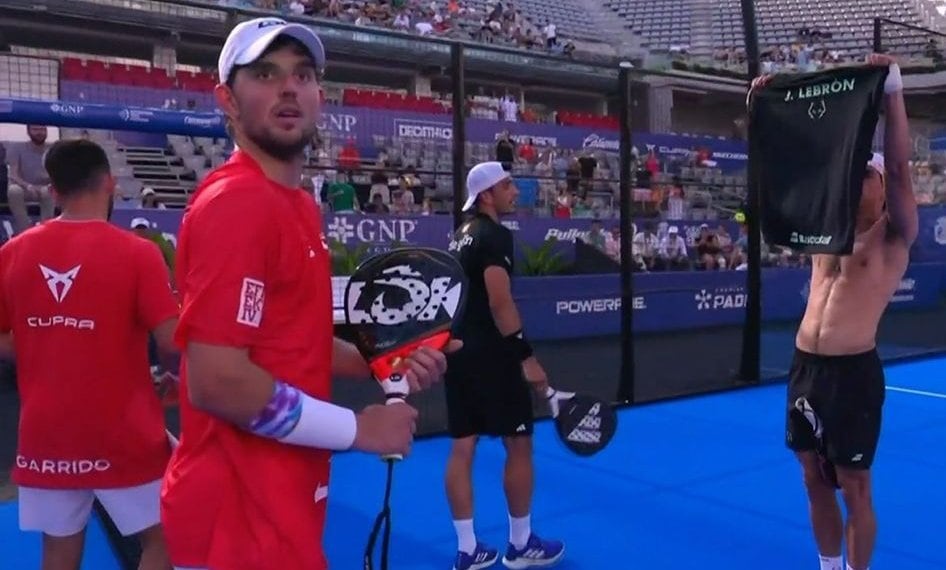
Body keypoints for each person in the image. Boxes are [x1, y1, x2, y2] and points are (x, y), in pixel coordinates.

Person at [159, 17, 456, 570]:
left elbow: (296, 344)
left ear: (322, 95)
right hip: (236, 524)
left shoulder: (292, 202)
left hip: (277, 507)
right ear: (227, 98)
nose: (288, 87)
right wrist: (358, 430)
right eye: (266, 74)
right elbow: (217, 381)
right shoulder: (239, 203)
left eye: (302, 74)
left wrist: (381, 363)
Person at [757, 54, 917, 570]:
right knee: (811, 477)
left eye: (864, 178)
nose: (856, 183)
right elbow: (794, 163)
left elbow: (898, 166)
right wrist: (763, 107)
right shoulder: (827, 226)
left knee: (855, 485)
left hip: (852, 373)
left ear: (879, 188)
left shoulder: (894, 235)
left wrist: (891, 92)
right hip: (806, 367)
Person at [0, 139, 180, 569]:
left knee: (59, 553)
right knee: (168, 538)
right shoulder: (139, 253)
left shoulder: (13, 253)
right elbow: (173, 341)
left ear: (54, 192)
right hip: (123, 432)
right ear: (110, 183)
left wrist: (46, 343)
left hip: (46, 431)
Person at [444, 161, 565, 570]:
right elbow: (500, 302)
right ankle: (520, 543)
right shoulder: (493, 235)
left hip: (456, 351)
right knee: (519, 443)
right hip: (492, 355)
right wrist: (526, 357)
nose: (516, 191)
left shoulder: (458, 237)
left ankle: (467, 549)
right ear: (486, 196)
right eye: (508, 185)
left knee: (463, 446)